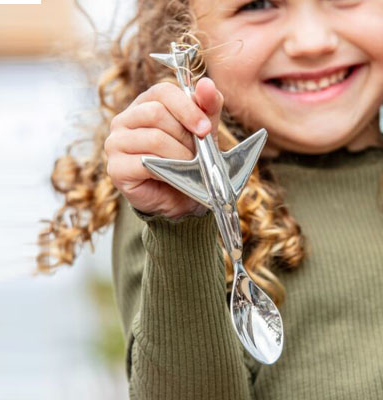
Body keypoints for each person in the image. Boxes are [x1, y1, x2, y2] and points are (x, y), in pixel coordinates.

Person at [39, 0, 383, 398]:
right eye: (258, 5)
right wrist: (181, 229)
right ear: (185, 37)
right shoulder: (171, 204)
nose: (312, 42)